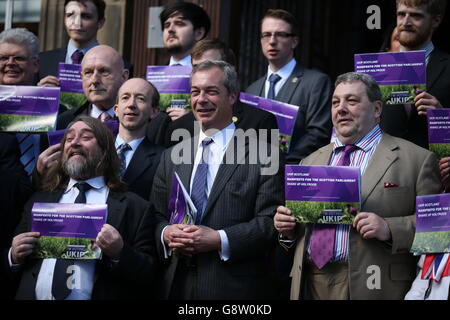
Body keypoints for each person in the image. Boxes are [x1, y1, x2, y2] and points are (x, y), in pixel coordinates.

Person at [274, 72, 441, 300]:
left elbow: (437, 231)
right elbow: (298, 235)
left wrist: (390, 229)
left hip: (375, 284)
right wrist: (288, 230)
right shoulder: (309, 161)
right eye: (335, 102)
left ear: (377, 109)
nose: (341, 108)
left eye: (351, 101)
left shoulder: (418, 159)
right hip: (310, 283)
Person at [150, 61, 283, 299]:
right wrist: (166, 232)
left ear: (232, 96)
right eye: (195, 91)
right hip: (175, 286)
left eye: (211, 91)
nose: (201, 99)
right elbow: (155, 215)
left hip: (233, 289)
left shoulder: (265, 154)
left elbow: (270, 222)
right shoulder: (171, 156)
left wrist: (218, 239)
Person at [5, 115, 157, 300]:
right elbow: (9, 264)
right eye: (69, 139)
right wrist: (13, 256)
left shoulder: (136, 207)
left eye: (86, 137)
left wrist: (119, 252)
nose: (74, 143)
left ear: (105, 150)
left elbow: (150, 276)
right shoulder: (39, 199)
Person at [246, 9, 333, 164]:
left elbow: (319, 133)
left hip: (293, 171)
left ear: (294, 41)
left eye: (280, 34)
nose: (272, 41)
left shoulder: (316, 82)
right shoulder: (251, 89)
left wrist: (282, 163)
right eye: (266, 35)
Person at [165, 38, 278, 148]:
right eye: (196, 68)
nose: (203, 74)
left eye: (210, 66)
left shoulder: (261, 123)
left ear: (230, 71)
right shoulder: (178, 127)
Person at [380, 0, 450, 149]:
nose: (406, 22)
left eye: (415, 16)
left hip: (433, 168)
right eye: (401, 14)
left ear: (436, 21)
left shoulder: (447, 66)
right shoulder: (374, 68)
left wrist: (441, 116)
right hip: (383, 168)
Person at [37, 0, 132, 86]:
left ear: (100, 22)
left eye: (86, 16)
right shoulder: (42, 61)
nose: (77, 23)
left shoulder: (121, 66)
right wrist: (40, 94)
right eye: (70, 15)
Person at [113, 78, 164, 199]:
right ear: (116, 109)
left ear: (154, 111)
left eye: (140, 99)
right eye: (125, 98)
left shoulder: (164, 160)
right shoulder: (96, 151)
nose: (131, 104)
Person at [159, 1, 211, 122]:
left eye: (179, 23)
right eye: (166, 25)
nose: (170, 30)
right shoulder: (149, 78)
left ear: (199, 33)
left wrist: (192, 118)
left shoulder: (212, 77)